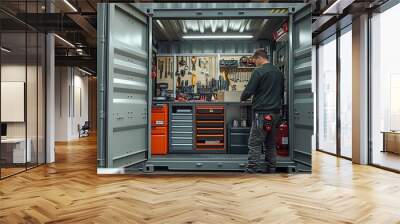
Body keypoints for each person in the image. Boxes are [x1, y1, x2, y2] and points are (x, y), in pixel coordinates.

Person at [240, 49, 284, 173]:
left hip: (262, 114)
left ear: (260, 58)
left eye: (255, 61)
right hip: (275, 114)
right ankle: (271, 169)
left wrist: (242, 97)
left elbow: (248, 91)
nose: (254, 63)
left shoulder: (258, 71)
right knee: (270, 143)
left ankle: (251, 171)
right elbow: (281, 93)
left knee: (255, 143)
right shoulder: (278, 72)